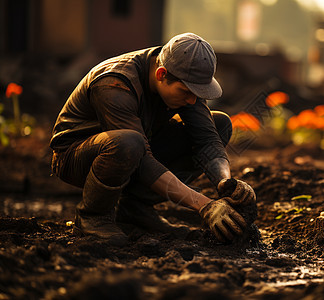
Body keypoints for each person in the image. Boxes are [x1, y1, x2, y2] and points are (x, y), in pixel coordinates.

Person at [50, 33, 256, 246]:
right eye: (186, 91)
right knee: (129, 143)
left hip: (136, 146)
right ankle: (93, 216)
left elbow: (207, 139)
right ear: (161, 74)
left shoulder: (180, 70)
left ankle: (134, 209)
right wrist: (204, 205)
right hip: (76, 156)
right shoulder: (114, 83)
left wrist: (226, 183)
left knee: (220, 124)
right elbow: (142, 160)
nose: (193, 100)